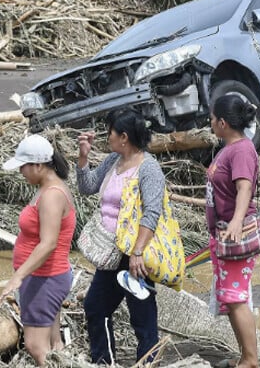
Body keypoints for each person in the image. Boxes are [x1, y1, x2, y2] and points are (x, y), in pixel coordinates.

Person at [77, 109, 165, 365]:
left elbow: (152, 212)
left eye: (110, 133)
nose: (108, 138)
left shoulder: (148, 169)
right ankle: (104, 361)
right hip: (111, 252)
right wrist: (84, 158)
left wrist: (138, 252)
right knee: (96, 307)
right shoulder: (113, 161)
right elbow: (87, 187)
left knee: (143, 317)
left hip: (135, 253)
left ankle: (147, 363)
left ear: (124, 137)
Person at [0, 134, 75, 364]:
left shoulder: (52, 195)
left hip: (45, 278)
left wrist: (18, 277)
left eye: (23, 167)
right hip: (45, 278)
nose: (21, 172)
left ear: (39, 165)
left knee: (35, 346)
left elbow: (48, 243)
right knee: (54, 345)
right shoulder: (47, 187)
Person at [207, 94, 260, 368]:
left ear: (224, 122)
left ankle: (250, 360)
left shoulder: (241, 150)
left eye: (213, 118)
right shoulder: (229, 148)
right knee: (229, 298)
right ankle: (244, 356)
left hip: (236, 234)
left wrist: (237, 221)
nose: (210, 122)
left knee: (235, 297)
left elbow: (244, 188)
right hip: (223, 233)